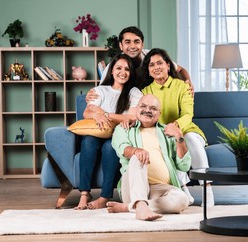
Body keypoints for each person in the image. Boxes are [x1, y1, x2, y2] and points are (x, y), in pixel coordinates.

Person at [141, 48, 214, 206]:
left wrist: (176, 126)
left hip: (187, 129)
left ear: (168, 65)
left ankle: (207, 189)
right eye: (152, 65)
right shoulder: (146, 91)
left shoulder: (182, 86)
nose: (156, 67)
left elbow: (188, 114)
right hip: (163, 134)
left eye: (160, 63)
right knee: (168, 146)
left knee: (189, 140)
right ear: (148, 70)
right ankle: (183, 190)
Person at [75, 53, 143, 210]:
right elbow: (87, 113)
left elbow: (132, 117)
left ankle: (104, 196)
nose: (122, 72)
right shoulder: (99, 90)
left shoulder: (134, 93)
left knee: (109, 148)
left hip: (118, 134)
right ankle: (84, 194)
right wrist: (97, 114)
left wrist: (104, 113)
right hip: (98, 132)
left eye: (126, 69)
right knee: (88, 142)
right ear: (111, 71)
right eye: (118, 68)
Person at [108, 94, 191, 221]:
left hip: (161, 188)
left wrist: (179, 136)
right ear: (136, 109)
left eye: (153, 108)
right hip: (132, 186)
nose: (147, 110)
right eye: (143, 106)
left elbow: (184, 166)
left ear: (159, 113)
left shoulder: (167, 132)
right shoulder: (124, 128)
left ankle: (130, 207)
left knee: (182, 199)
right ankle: (139, 204)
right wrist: (136, 150)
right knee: (137, 156)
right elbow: (123, 149)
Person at [99, 26, 194, 93]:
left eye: (136, 42)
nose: (132, 46)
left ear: (142, 44)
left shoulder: (152, 56)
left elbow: (180, 69)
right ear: (121, 45)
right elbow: (101, 90)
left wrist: (188, 82)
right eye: (127, 42)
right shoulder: (115, 65)